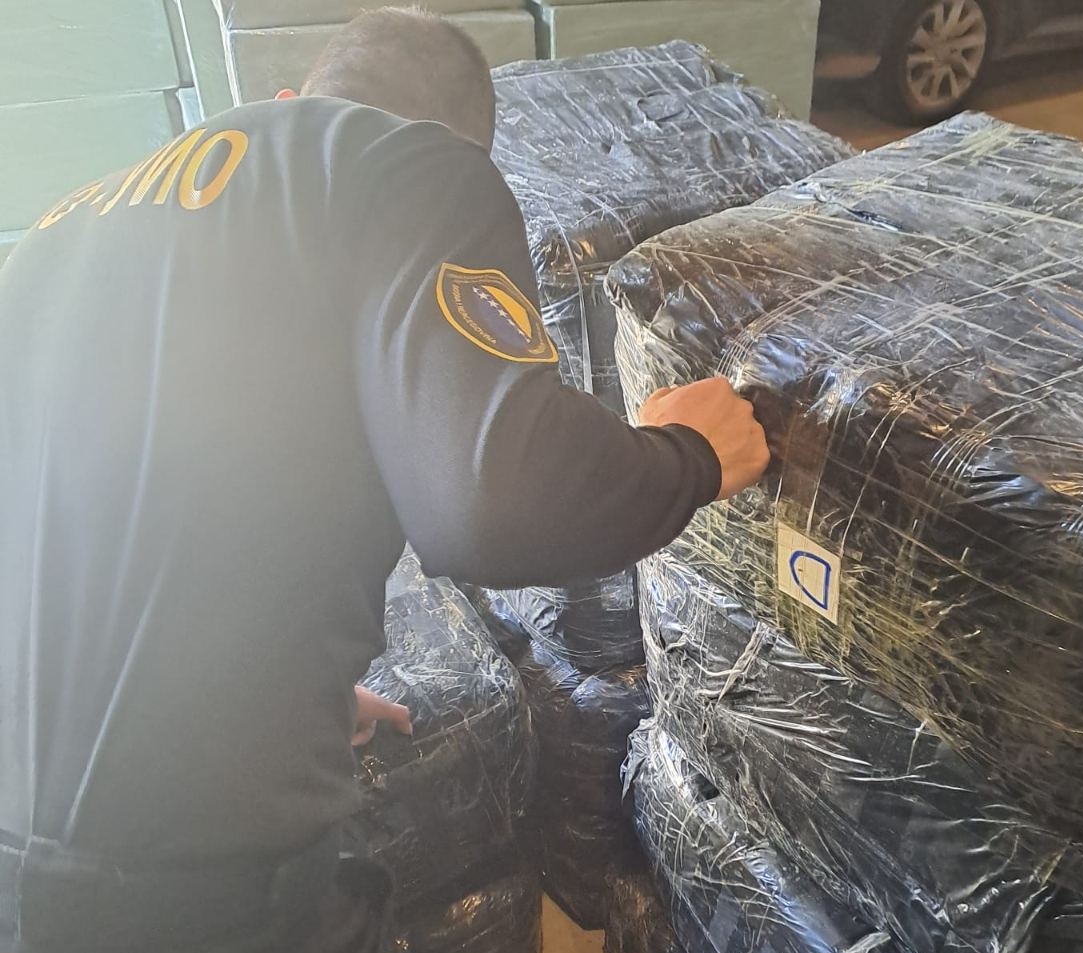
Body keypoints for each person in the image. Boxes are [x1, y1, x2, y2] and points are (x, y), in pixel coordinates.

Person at [0, 6, 769, 952]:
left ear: (289, 99)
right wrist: (688, 452)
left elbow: (126, 497)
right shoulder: (408, 163)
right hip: (191, 879)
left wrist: (274, 694)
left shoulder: (61, 231)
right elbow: (496, 500)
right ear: (462, 146)